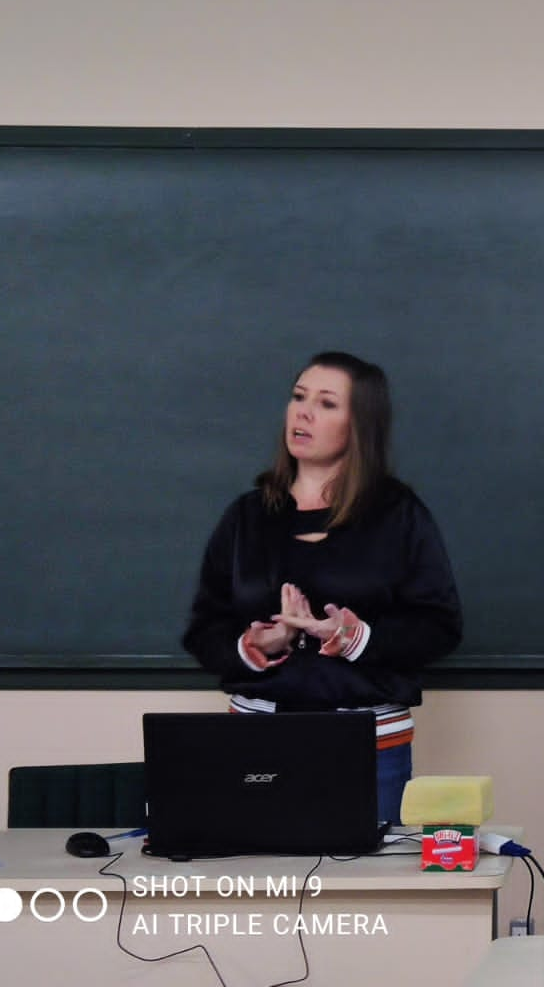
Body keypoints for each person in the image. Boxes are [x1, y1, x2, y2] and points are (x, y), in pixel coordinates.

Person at [183, 351, 462, 825]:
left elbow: (439, 626)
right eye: (298, 397)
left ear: (360, 424)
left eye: (327, 403)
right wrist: (256, 645)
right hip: (253, 739)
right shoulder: (247, 517)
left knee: (366, 891)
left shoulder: (398, 514)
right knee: (261, 884)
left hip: (368, 744)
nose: (303, 412)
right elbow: (204, 628)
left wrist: (355, 638)